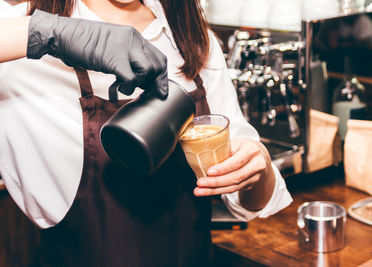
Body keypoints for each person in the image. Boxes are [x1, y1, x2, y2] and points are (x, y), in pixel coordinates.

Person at [0, 0, 293, 266]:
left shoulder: (186, 34)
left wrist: (260, 168)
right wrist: (50, 33)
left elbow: (249, 201)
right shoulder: (23, 34)